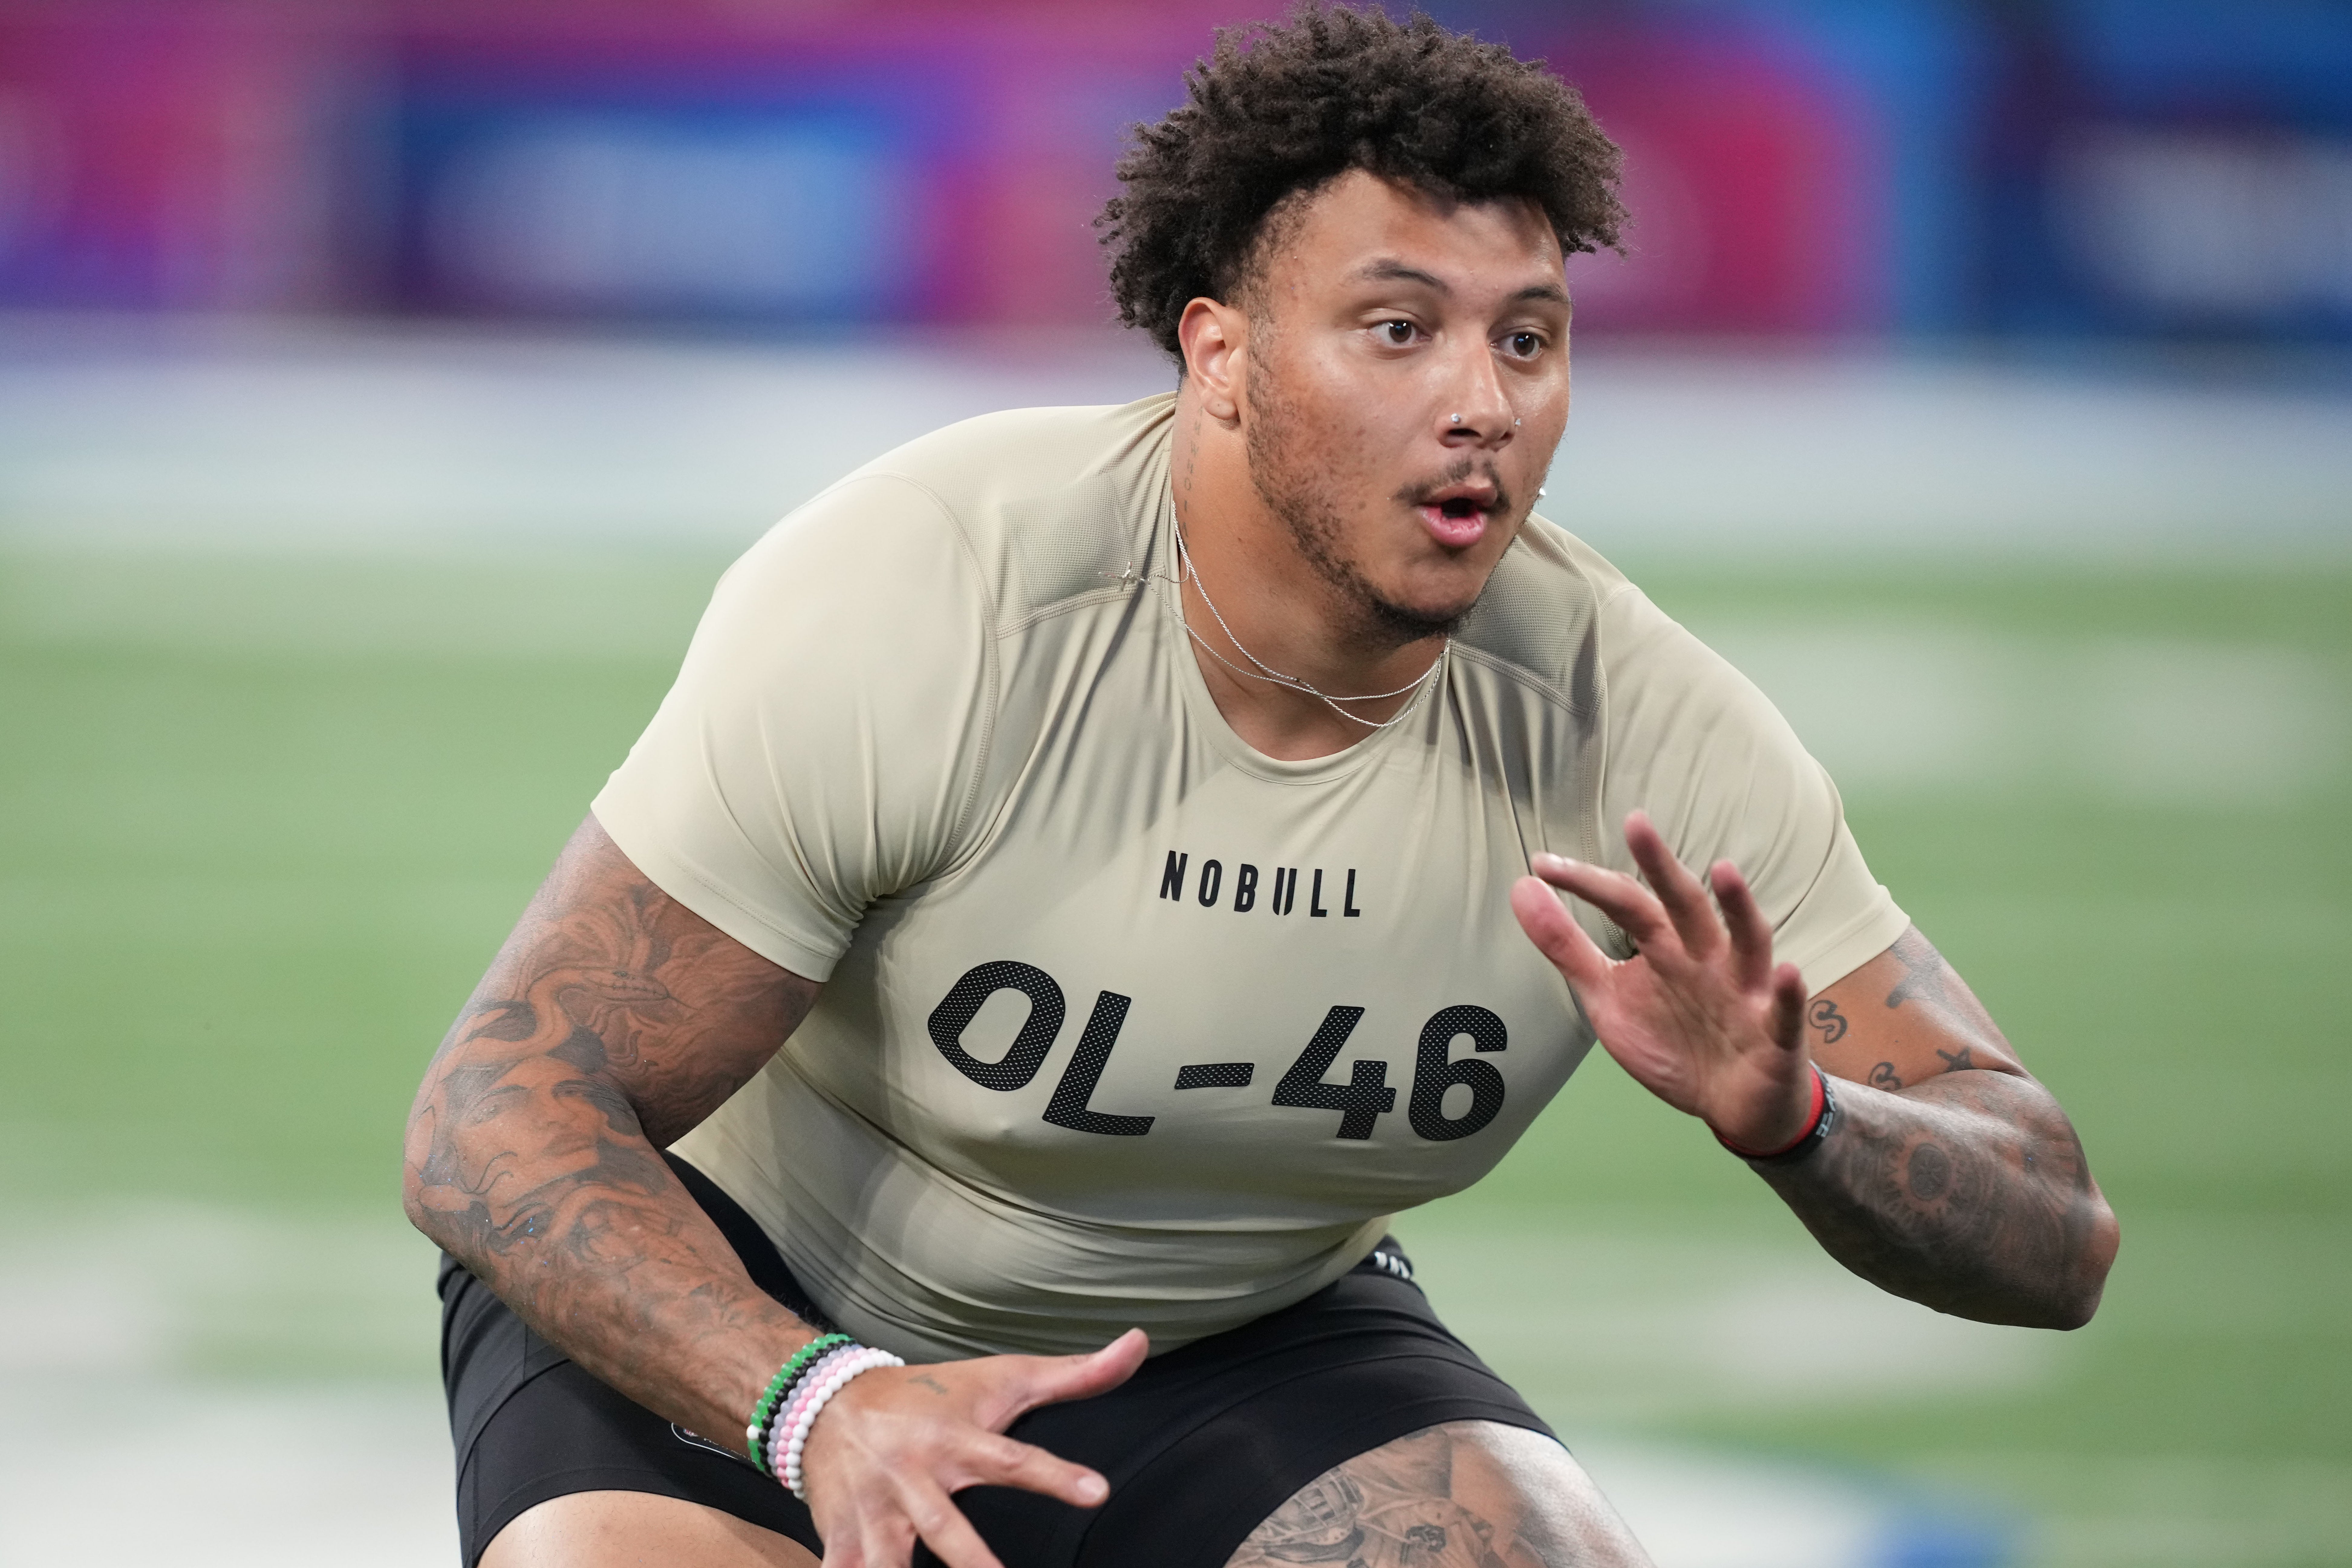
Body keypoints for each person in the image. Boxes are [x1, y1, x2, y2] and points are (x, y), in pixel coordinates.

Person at [404, 8, 2120, 1567]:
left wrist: (1804, 1122)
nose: (1481, 405)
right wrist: (820, 1398)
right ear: (1219, 355)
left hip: (1227, 1341)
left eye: (1529, 342)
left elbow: (2054, 1232)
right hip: (753, 1315)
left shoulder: (1625, 722)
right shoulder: (940, 591)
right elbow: (496, 1112)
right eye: (1398, 329)